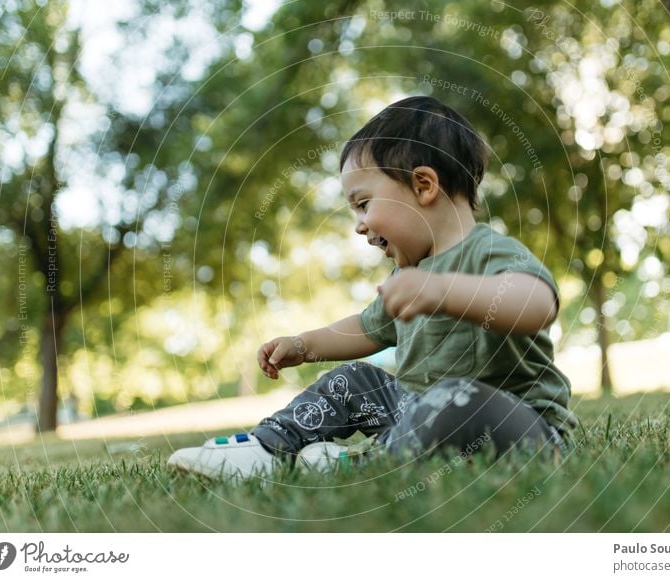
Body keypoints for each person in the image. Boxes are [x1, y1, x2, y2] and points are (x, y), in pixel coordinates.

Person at [168, 96, 578, 481]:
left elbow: (537, 304)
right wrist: (304, 344)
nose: (359, 224)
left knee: (454, 398)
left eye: (363, 204)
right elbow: (365, 330)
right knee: (354, 378)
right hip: (417, 412)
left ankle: (364, 462)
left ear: (423, 186)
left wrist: (442, 292)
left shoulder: (489, 251)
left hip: (521, 428)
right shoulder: (407, 277)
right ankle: (268, 450)